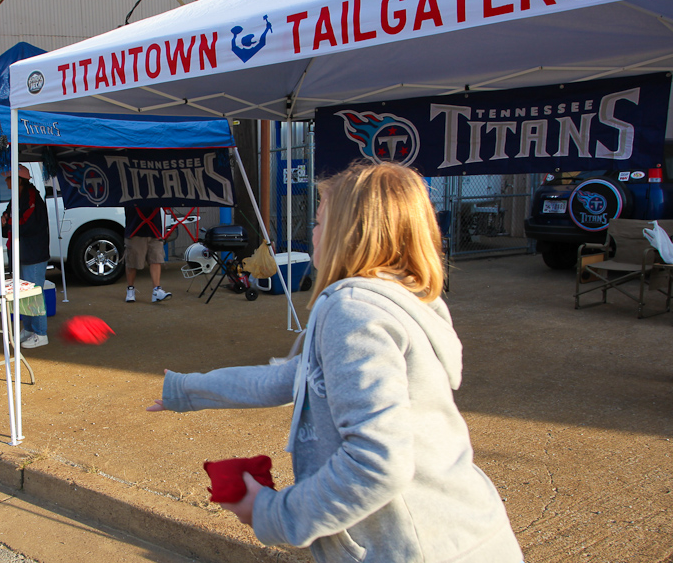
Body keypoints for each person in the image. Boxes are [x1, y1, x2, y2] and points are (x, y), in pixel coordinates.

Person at [147, 162, 523, 562]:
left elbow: (376, 462)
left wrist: (270, 512)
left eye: (320, 222)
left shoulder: (354, 311)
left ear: (351, 233)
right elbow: (284, 379)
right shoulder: (404, 301)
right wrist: (183, 389)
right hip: (470, 539)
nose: (313, 233)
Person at [0, 164, 50, 349]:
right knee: (23, 293)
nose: (6, 181)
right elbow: (8, 221)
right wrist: (6, 223)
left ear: (18, 180)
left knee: (34, 293)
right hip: (21, 253)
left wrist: (8, 223)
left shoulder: (31, 196)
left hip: (33, 254)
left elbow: (26, 224)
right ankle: (29, 329)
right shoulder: (17, 198)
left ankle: (41, 333)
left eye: (8, 178)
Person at [124, 205, 171, 303]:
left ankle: (156, 290)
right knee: (132, 261)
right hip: (135, 228)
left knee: (156, 258)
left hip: (155, 229)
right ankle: (130, 289)